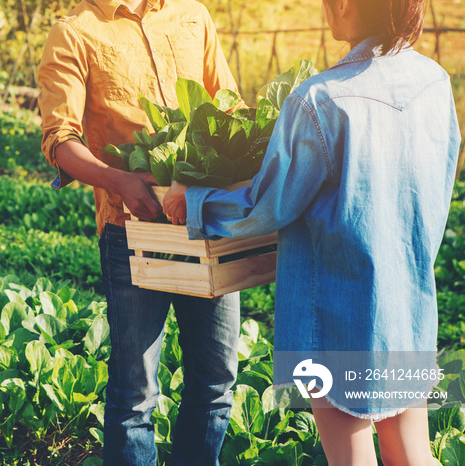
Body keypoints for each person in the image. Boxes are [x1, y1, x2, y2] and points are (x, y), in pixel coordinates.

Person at [162, 0, 461, 464]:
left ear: (343, 4)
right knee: (413, 455)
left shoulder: (319, 99)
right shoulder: (434, 82)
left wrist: (193, 199)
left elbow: (266, 207)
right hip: (407, 311)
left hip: (335, 320)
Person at [37, 0, 243, 464]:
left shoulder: (193, 16)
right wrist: (119, 180)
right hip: (132, 232)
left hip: (206, 221)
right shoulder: (74, 32)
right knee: (135, 392)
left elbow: (229, 108)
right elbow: (59, 139)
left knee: (216, 382)